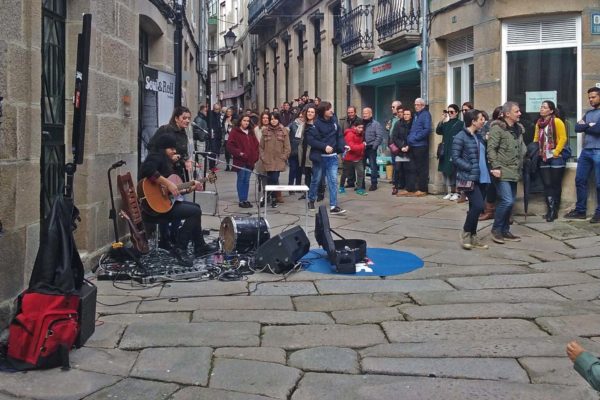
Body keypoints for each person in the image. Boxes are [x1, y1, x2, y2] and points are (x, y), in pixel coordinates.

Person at [140, 134, 215, 263]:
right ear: (163, 148)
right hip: (153, 209)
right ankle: (180, 247)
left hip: (164, 204)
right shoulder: (156, 156)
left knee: (196, 208)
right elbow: (147, 169)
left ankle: (199, 245)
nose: (174, 151)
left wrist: (189, 188)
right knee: (195, 212)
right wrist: (168, 184)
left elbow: (172, 191)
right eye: (171, 148)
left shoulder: (167, 162)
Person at [487, 101, 526, 244]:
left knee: (510, 202)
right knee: (507, 200)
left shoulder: (518, 129)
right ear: (507, 114)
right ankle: (496, 230)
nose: (520, 113)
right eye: (517, 111)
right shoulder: (497, 129)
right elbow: (491, 149)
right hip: (502, 170)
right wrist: (495, 167)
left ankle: (505, 230)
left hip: (514, 171)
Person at [452, 109, 490, 250]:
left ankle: (473, 237)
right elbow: (455, 158)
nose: (483, 121)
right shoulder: (460, 136)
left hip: (483, 177)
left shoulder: (479, 136)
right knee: (479, 206)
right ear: (473, 121)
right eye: (481, 119)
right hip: (468, 177)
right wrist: (470, 167)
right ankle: (466, 232)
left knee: (475, 207)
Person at [564, 87, 600, 223]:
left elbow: (598, 130)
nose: (591, 99)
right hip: (586, 151)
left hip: (598, 150)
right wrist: (590, 125)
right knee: (580, 180)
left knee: (599, 184)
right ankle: (580, 211)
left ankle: (599, 213)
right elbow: (577, 128)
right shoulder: (588, 113)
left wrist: (587, 126)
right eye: (589, 97)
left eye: (593, 97)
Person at [307, 101, 346, 214]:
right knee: (316, 180)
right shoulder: (315, 124)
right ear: (323, 111)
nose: (331, 111)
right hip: (320, 158)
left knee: (333, 181)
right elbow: (312, 140)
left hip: (332, 157)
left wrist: (343, 147)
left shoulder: (334, 122)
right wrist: (324, 146)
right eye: (329, 109)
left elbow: (339, 136)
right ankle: (311, 199)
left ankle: (333, 206)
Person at [533, 100, 568, 222]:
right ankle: (550, 209)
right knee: (547, 185)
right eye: (541, 107)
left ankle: (554, 211)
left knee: (555, 184)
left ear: (551, 110)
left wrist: (556, 152)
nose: (541, 109)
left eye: (544, 107)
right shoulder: (539, 123)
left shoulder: (557, 121)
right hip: (543, 157)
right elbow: (536, 138)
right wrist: (537, 151)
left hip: (555, 157)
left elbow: (563, 138)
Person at [147, 106, 194, 181]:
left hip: (177, 173)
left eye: (189, 118)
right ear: (176, 118)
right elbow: (151, 147)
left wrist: (186, 160)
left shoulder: (183, 133)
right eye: (184, 118)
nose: (187, 121)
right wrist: (168, 157)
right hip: (163, 173)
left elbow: (181, 153)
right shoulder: (165, 130)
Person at [227, 115, 259, 208]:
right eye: (244, 120)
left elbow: (256, 145)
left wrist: (255, 156)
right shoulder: (235, 132)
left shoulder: (251, 132)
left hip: (250, 160)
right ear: (240, 121)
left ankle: (245, 199)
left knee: (247, 180)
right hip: (240, 160)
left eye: (248, 121)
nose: (246, 122)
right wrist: (239, 153)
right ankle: (242, 200)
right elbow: (230, 146)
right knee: (241, 179)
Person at [259, 112, 291, 208]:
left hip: (278, 160)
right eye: (271, 119)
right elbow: (261, 147)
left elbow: (287, 146)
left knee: (274, 179)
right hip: (268, 160)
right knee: (269, 180)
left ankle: (272, 198)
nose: (273, 120)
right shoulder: (265, 131)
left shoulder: (283, 130)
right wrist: (263, 157)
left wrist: (284, 157)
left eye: (275, 118)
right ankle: (269, 197)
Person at [479, 106, 504, 221]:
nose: (501, 117)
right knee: (491, 186)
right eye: (499, 115)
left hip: (505, 159)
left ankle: (505, 213)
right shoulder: (489, 125)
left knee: (504, 187)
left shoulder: (509, 127)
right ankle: (489, 210)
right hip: (491, 159)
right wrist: (486, 137)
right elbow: (481, 138)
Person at [436, 104, 464, 201]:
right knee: (446, 171)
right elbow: (438, 131)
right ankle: (450, 191)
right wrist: (442, 120)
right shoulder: (446, 124)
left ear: (456, 112)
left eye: (451, 112)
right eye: (448, 112)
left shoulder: (460, 123)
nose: (450, 114)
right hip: (445, 150)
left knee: (454, 172)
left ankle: (457, 192)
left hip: (454, 150)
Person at [405, 98, 432, 196]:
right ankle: (410, 188)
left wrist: (415, 138)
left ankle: (422, 189)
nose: (416, 106)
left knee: (421, 168)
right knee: (411, 168)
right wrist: (409, 138)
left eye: (418, 104)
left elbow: (426, 129)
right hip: (413, 145)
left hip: (420, 145)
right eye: (415, 104)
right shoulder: (416, 115)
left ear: (423, 105)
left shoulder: (425, 114)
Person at [339, 119, 367, 196]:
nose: (361, 129)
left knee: (361, 172)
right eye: (359, 127)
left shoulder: (361, 134)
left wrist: (361, 148)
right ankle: (341, 186)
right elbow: (352, 147)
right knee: (345, 173)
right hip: (349, 158)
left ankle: (359, 188)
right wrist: (363, 145)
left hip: (358, 157)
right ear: (354, 127)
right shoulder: (349, 134)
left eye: (362, 128)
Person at [361, 107, 385, 191]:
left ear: (371, 114)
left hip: (371, 148)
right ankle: (361, 184)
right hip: (362, 148)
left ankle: (374, 184)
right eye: (363, 113)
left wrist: (374, 147)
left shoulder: (376, 124)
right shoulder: (360, 123)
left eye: (366, 113)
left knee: (373, 166)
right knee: (361, 167)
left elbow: (379, 136)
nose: (364, 115)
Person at [391, 109, 412, 195]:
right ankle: (396, 186)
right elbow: (394, 137)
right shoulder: (398, 124)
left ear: (411, 115)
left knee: (408, 169)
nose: (406, 116)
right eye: (405, 114)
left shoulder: (413, 124)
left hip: (410, 150)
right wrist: (402, 146)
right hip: (400, 150)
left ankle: (407, 187)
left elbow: (413, 136)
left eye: (408, 114)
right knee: (397, 169)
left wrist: (408, 146)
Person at [287, 112, 305, 189]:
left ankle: (298, 187)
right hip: (293, 150)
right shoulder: (292, 124)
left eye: (302, 117)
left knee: (299, 170)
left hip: (301, 151)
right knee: (292, 169)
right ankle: (290, 187)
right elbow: (286, 130)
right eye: (300, 117)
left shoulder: (305, 125)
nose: (301, 118)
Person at [208, 103, 224, 170]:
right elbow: (210, 124)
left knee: (216, 151)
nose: (216, 110)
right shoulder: (211, 114)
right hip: (213, 135)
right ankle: (212, 166)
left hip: (218, 135)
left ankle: (214, 165)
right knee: (213, 151)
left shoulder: (220, 115)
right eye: (215, 109)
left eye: (217, 109)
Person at [222, 107, 235, 171]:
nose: (228, 113)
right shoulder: (224, 119)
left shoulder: (234, 119)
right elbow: (223, 128)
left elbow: (235, 128)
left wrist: (230, 123)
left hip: (232, 138)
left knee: (233, 152)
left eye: (230, 112)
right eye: (227, 112)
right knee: (227, 153)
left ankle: (233, 166)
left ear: (232, 113)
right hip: (226, 138)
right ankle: (227, 166)